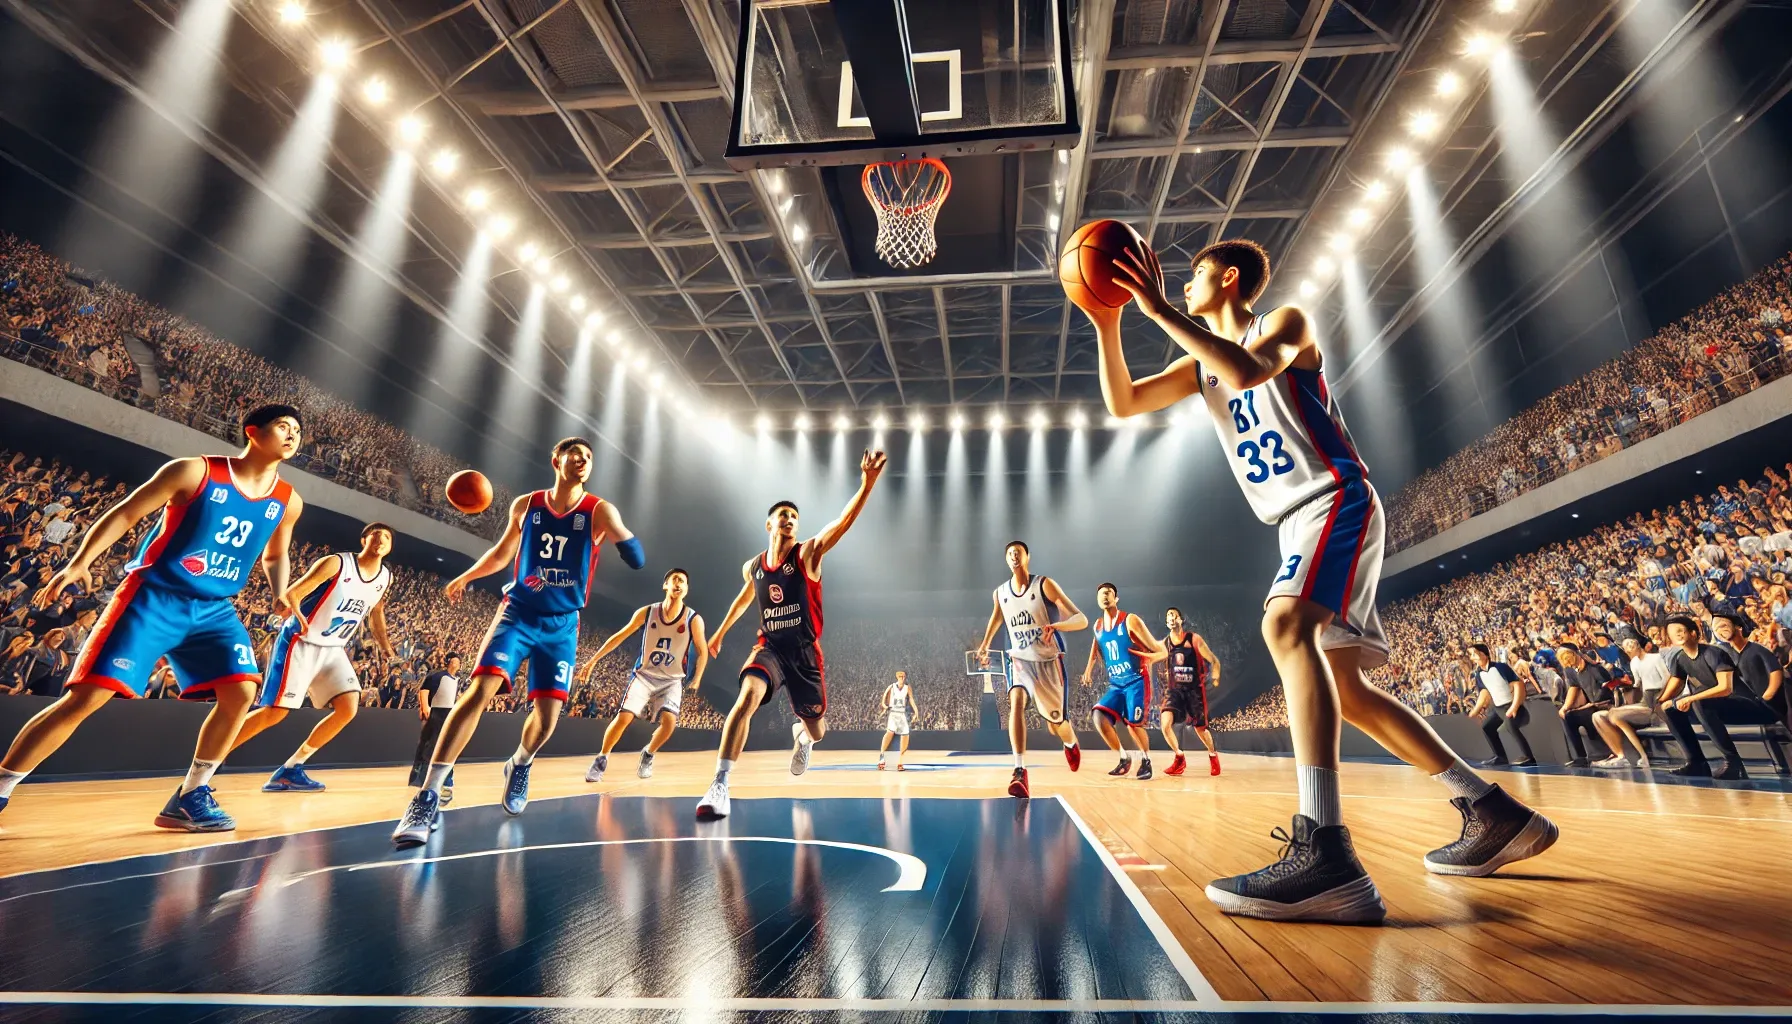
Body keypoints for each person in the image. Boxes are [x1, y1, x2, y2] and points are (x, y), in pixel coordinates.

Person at [1099, 237, 1556, 923]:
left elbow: (1250, 372)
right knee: (1348, 693)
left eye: (1191, 277)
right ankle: (1492, 812)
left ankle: (1325, 852)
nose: (1183, 285)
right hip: (1295, 518)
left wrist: (1156, 308)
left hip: (1334, 495)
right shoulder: (1198, 365)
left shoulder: (1283, 324)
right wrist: (1107, 320)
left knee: (1283, 624)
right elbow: (1125, 404)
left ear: (1227, 280)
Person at [0, 404, 304, 829]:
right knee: (85, 699)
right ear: (253, 431)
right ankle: (2, 787)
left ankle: (191, 794)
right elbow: (128, 511)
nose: (293, 435)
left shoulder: (288, 501)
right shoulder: (194, 471)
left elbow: (276, 554)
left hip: (214, 608)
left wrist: (279, 592)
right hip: (154, 596)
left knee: (240, 693)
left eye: (297, 431)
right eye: (283, 427)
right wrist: (82, 559)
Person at [392, 437, 642, 847]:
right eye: (574, 453)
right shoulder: (526, 505)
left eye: (589, 456)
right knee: (478, 692)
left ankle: (520, 763)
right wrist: (469, 575)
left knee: (547, 720)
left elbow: (637, 557)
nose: (583, 459)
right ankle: (427, 796)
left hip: (563, 625)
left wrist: (626, 542)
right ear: (555, 459)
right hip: (518, 612)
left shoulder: (598, 510)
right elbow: (503, 553)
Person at [694, 449, 887, 821]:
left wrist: (866, 483)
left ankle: (802, 737)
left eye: (795, 517)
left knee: (817, 730)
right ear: (769, 524)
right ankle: (720, 784)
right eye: (784, 515)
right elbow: (742, 600)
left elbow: (842, 524)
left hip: (804, 653)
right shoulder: (754, 567)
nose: (791, 521)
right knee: (746, 699)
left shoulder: (808, 554)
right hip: (770, 648)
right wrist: (718, 635)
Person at [229, 523, 395, 792]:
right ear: (364, 539)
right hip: (300, 641)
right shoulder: (337, 564)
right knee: (274, 713)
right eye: (376, 534)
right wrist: (297, 613)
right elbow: (293, 592)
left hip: (333, 648)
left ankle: (291, 768)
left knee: (348, 707)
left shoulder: (385, 578)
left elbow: (376, 612)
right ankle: (210, 758)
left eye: (387, 537)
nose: (381, 540)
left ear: (390, 548)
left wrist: (386, 646)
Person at [974, 540, 1088, 798]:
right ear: (1006, 560)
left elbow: (1080, 619)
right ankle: (1019, 771)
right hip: (1019, 660)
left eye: (1019, 552)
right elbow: (997, 618)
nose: (1014, 556)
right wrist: (984, 644)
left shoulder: (1044, 585)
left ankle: (1070, 743)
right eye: (1010, 553)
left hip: (1048, 662)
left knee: (1058, 723)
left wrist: (1057, 627)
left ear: (1027, 557)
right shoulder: (1000, 592)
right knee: (1015, 702)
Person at [578, 568, 708, 783]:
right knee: (624, 717)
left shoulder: (693, 619)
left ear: (686, 589)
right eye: (674, 579)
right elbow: (619, 636)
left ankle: (648, 753)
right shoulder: (647, 612)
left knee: (669, 724)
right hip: (644, 675)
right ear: (665, 585)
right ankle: (601, 759)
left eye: (682, 581)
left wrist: (698, 679)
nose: (678, 584)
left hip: (672, 679)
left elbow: (703, 652)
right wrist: (593, 660)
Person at [1082, 584, 1164, 780]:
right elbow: (1096, 643)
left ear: (1116, 598)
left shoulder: (1130, 620)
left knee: (1133, 725)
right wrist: (1088, 669)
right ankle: (1124, 758)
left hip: (1136, 680)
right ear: (1097, 599)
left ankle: (1146, 761)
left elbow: (1159, 649)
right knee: (1098, 716)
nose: (1105, 596)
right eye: (1101, 593)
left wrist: (1153, 657)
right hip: (1116, 683)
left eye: (1109, 593)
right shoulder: (1097, 625)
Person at [1158, 607, 1221, 777]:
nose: (1171, 618)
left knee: (1200, 729)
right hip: (1175, 691)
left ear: (1181, 620)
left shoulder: (1193, 639)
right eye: (1168, 616)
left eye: (1174, 615)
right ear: (1166, 622)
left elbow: (1213, 660)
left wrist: (1216, 674)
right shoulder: (1165, 643)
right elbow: (1155, 654)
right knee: (1165, 724)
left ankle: (1213, 755)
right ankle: (1179, 758)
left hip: (1194, 691)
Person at [1592, 635, 1668, 768]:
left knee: (1615, 714)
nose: (1629, 652)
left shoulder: (1656, 658)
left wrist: (1662, 699)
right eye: (1627, 650)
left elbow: (1668, 679)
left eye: (1630, 648)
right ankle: (1622, 756)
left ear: (1637, 645)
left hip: (1658, 699)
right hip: (1645, 699)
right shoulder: (1634, 663)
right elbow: (1637, 684)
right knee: (1599, 716)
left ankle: (1642, 756)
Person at [1466, 644, 1538, 767]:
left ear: (1483, 654)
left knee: (1511, 725)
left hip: (1512, 706)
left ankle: (1529, 757)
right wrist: (1476, 710)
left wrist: (1514, 707)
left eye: (1474, 654)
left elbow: (1518, 685)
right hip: (1498, 709)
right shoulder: (1479, 674)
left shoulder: (1500, 667)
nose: (1472, 658)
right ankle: (1500, 757)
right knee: (1487, 727)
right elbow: (1484, 692)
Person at [410, 653, 461, 802]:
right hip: (437, 713)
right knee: (432, 746)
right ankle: (425, 779)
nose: (458, 664)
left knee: (447, 746)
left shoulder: (456, 680)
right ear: (449, 662)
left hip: (448, 714)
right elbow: (424, 690)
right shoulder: (439, 676)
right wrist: (424, 706)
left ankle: (447, 780)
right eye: (455, 661)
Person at [1554, 643, 1612, 768]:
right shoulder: (1570, 670)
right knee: (1568, 717)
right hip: (1591, 704)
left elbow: (1606, 687)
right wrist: (1565, 707)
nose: (1568, 665)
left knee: (1587, 713)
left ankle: (1603, 752)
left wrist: (1591, 704)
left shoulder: (1593, 668)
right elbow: (1573, 687)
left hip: (1604, 703)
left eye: (1569, 661)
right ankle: (1580, 757)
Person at [877, 671, 916, 770]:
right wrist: (884, 705)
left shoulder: (907, 688)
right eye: (900, 676)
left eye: (903, 676)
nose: (902, 678)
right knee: (889, 733)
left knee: (905, 736)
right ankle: (882, 756)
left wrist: (916, 711)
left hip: (901, 714)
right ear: (897, 677)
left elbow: (911, 699)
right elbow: (884, 697)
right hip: (893, 713)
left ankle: (900, 761)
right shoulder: (892, 686)